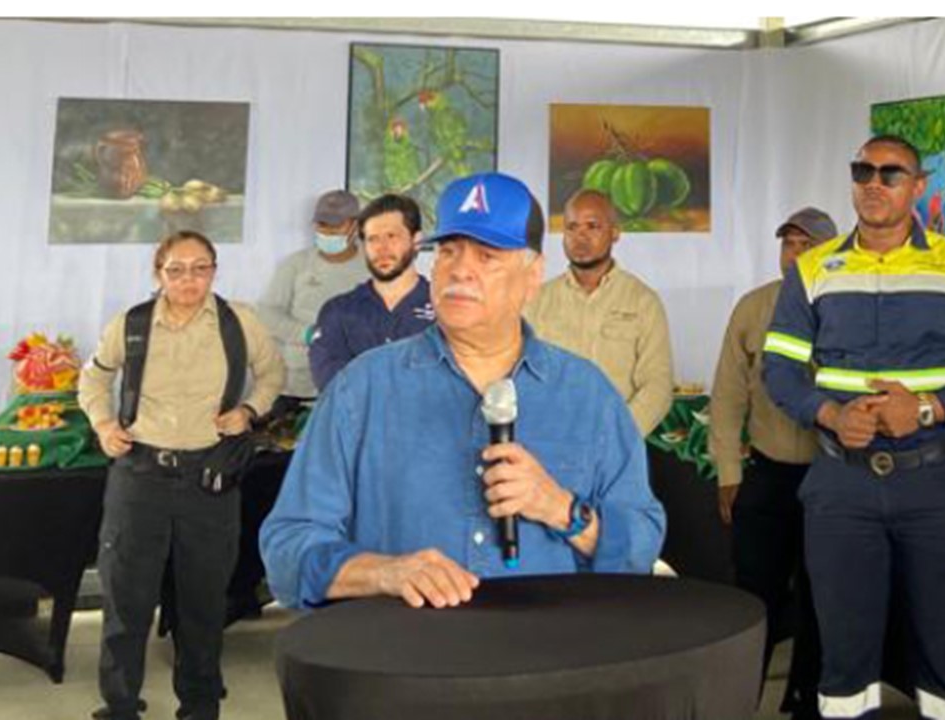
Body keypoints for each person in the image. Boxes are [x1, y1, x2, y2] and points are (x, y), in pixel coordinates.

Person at [260, 172, 666, 610]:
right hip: (404, 649)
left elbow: (639, 549)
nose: (460, 270)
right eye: (449, 251)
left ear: (532, 276)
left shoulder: (587, 396)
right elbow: (287, 549)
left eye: (487, 256)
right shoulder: (361, 390)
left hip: (545, 647)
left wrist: (563, 510)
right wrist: (382, 572)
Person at [763, 135, 945, 719]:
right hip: (841, 487)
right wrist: (829, 414)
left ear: (918, 186)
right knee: (843, 659)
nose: (874, 184)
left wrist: (929, 407)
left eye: (890, 173)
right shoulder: (813, 269)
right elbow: (778, 369)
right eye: (863, 171)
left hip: (932, 485)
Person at [78, 231, 284, 720]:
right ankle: (119, 704)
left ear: (214, 271)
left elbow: (273, 373)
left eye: (200, 268)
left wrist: (248, 410)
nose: (188, 279)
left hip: (208, 479)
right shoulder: (132, 324)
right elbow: (93, 377)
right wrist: (103, 424)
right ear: (159, 272)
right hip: (139, 476)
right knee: (125, 598)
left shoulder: (238, 323)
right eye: (176, 269)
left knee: (203, 602)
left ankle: (199, 704)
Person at [708, 207, 837, 719]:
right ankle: (739, 704)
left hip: (831, 477)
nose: (796, 254)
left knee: (823, 600)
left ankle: (807, 702)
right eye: (790, 244)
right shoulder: (753, 308)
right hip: (768, 474)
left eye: (808, 245)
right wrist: (728, 473)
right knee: (753, 600)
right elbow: (726, 396)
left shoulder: (851, 310)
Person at [523, 189, 673, 436]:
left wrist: (616, 437)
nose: (580, 237)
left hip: (616, 445)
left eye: (592, 226)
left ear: (615, 233)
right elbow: (518, 377)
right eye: (571, 227)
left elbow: (658, 386)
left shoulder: (642, 302)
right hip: (549, 442)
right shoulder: (536, 301)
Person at [308, 193, 435, 392]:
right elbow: (332, 384)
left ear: (416, 241)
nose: (382, 248)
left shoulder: (446, 308)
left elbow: (453, 381)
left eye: (391, 236)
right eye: (372, 239)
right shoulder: (338, 311)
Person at [257, 189, 369, 402]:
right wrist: (306, 334)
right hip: (298, 384)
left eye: (336, 225)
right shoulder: (296, 264)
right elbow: (267, 313)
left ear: (355, 225)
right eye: (322, 224)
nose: (328, 232)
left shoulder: (372, 266)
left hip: (354, 382)